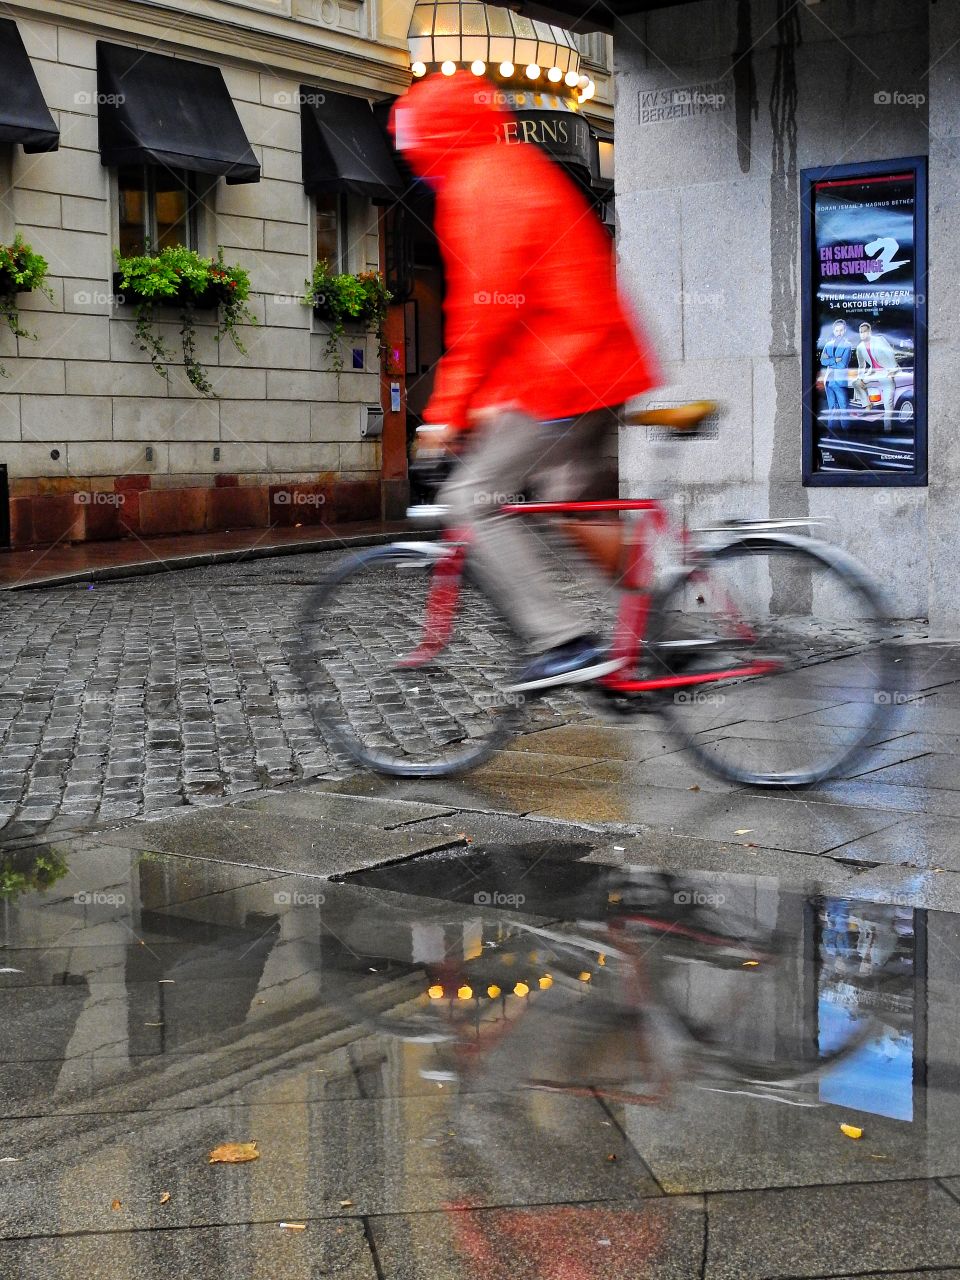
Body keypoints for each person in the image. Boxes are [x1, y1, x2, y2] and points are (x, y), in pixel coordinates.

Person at [389, 73, 659, 691]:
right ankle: (658, 630)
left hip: (563, 373)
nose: (415, 164)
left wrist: (446, 414)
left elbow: (486, 315)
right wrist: (486, 404)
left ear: (438, 137)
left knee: (471, 499)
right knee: (574, 505)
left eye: (417, 148)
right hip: (593, 364)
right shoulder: (519, 166)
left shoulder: (479, 185)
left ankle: (562, 639)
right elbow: (527, 303)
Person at [854, 321, 898, 431]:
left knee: (888, 404)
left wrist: (893, 371)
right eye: (861, 332)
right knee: (856, 383)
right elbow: (861, 365)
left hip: (886, 372)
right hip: (873, 373)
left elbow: (890, 353)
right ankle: (867, 405)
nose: (863, 334)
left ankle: (887, 430)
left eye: (865, 331)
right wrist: (860, 377)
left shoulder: (879, 340)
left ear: (870, 332)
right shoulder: (859, 347)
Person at [819, 318, 852, 429]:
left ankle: (846, 434)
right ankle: (831, 433)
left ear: (845, 330)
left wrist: (830, 360)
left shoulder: (847, 345)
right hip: (829, 381)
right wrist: (836, 359)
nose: (839, 333)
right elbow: (823, 361)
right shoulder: (828, 344)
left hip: (839, 382)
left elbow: (842, 364)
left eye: (841, 330)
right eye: (837, 330)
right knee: (831, 408)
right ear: (834, 331)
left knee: (844, 408)